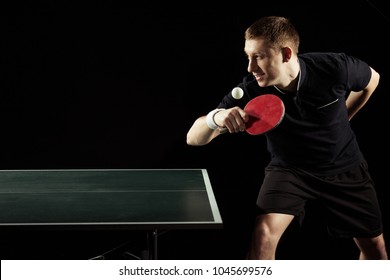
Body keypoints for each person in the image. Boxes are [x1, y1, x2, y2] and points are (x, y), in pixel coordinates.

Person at [186, 15, 388, 260]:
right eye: (248, 57)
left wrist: (345, 115)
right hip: (290, 170)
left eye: (258, 57)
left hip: (344, 166)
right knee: (263, 235)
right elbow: (193, 138)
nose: (250, 68)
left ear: (286, 53)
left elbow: (372, 79)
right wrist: (216, 118)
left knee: (375, 249)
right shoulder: (250, 90)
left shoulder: (334, 67)